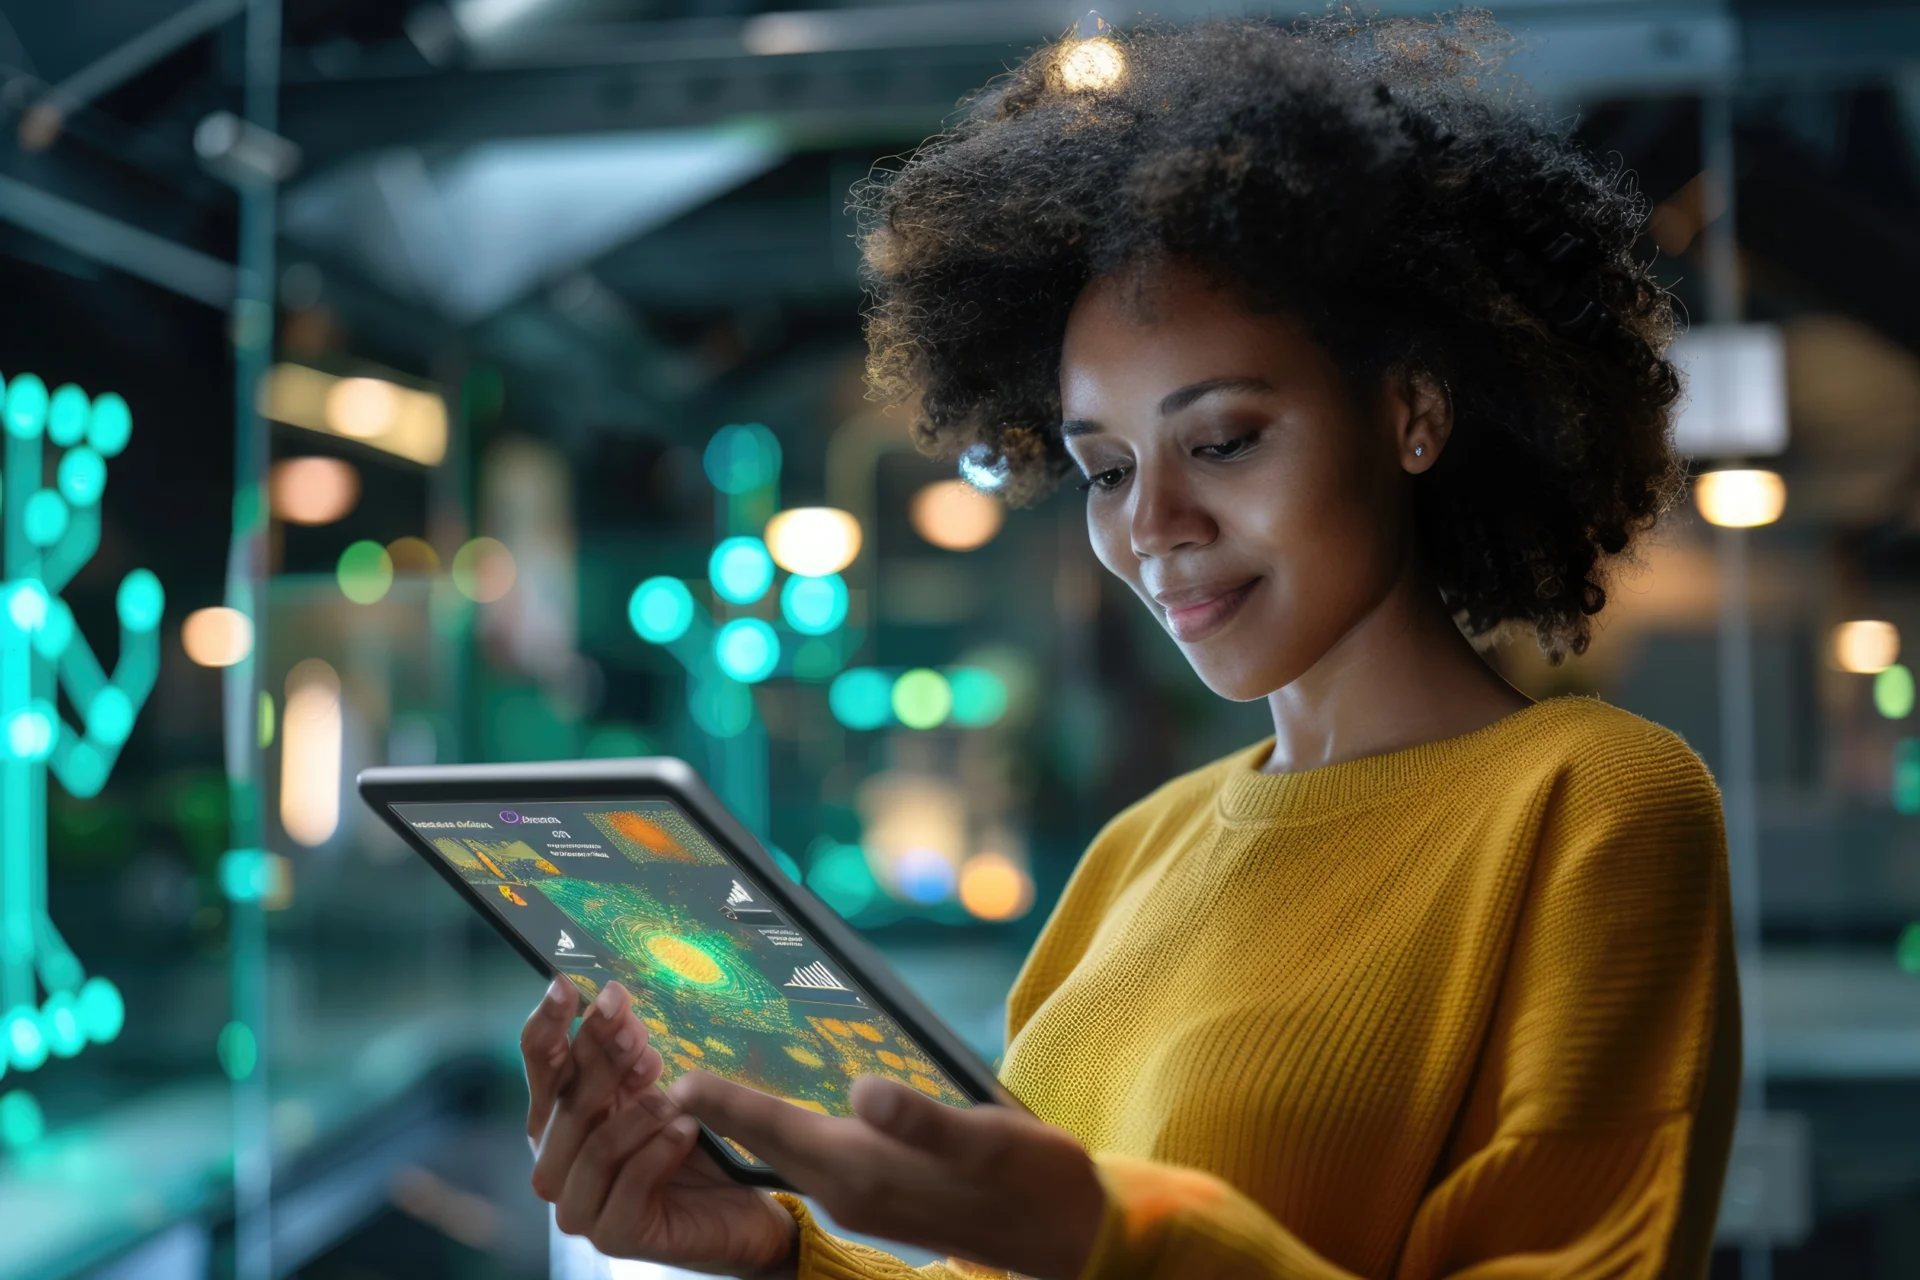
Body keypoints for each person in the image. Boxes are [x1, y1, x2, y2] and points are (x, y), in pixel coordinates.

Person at [518, 13, 1739, 1279]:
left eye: (1222, 442)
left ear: (1412, 409)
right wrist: (780, 1253)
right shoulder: (1133, 857)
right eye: (1105, 469)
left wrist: (1110, 1235)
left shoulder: (1593, 802)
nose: (1152, 525)